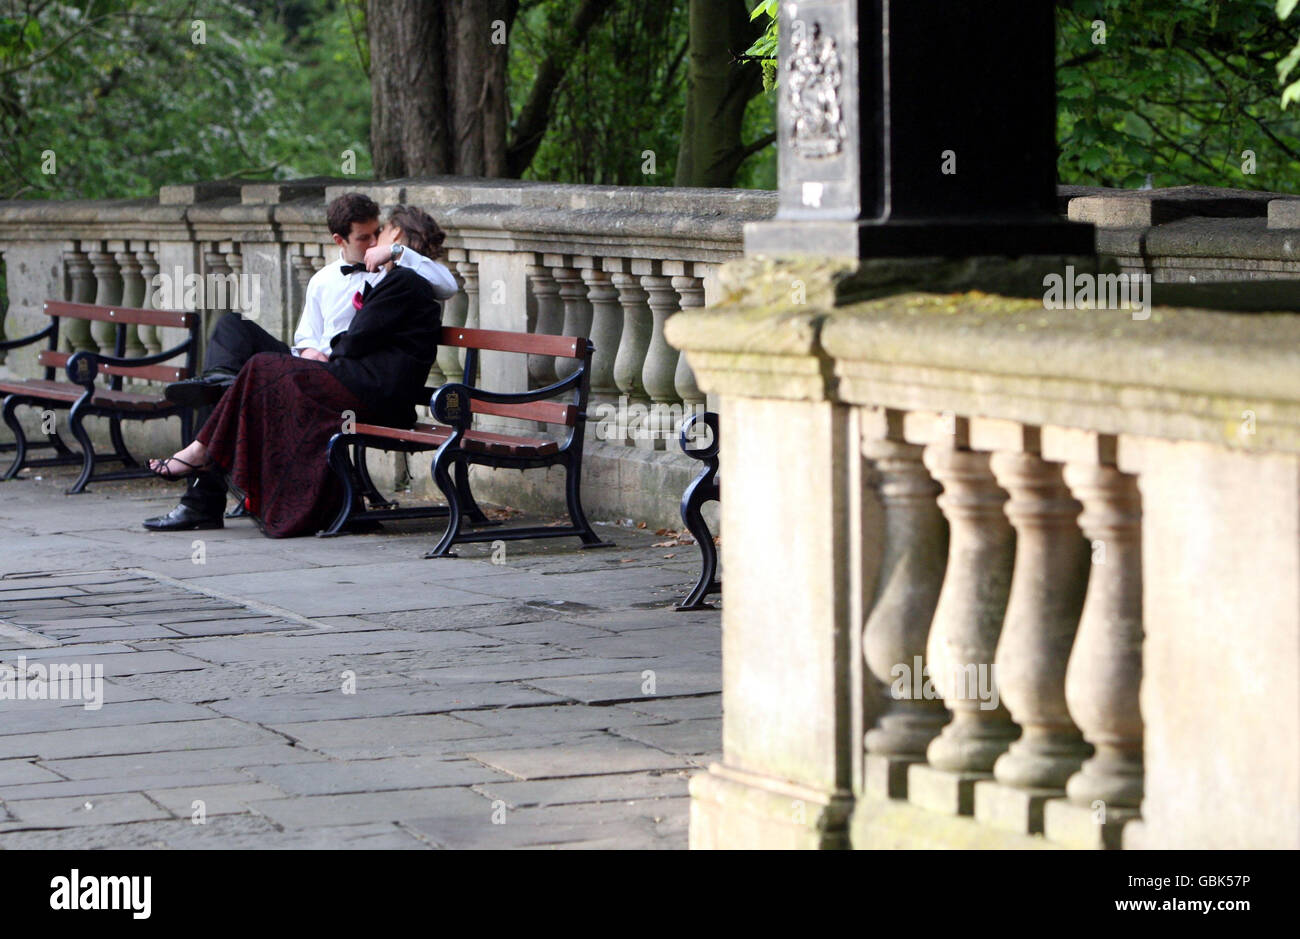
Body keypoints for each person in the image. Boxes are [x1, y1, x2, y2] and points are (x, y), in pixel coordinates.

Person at [142, 195, 456, 531]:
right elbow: (307, 336)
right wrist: (310, 353)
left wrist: (397, 255)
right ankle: (222, 384)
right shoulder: (326, 278)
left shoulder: (405, 277)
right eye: (366, 236)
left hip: (354, 379)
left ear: (398, 241)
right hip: (325, 367)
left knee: (253, 373)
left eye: (381, 234)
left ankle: (199, 468)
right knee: (232, 335)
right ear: (340, 240)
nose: (374, 241)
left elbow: (367, 334)